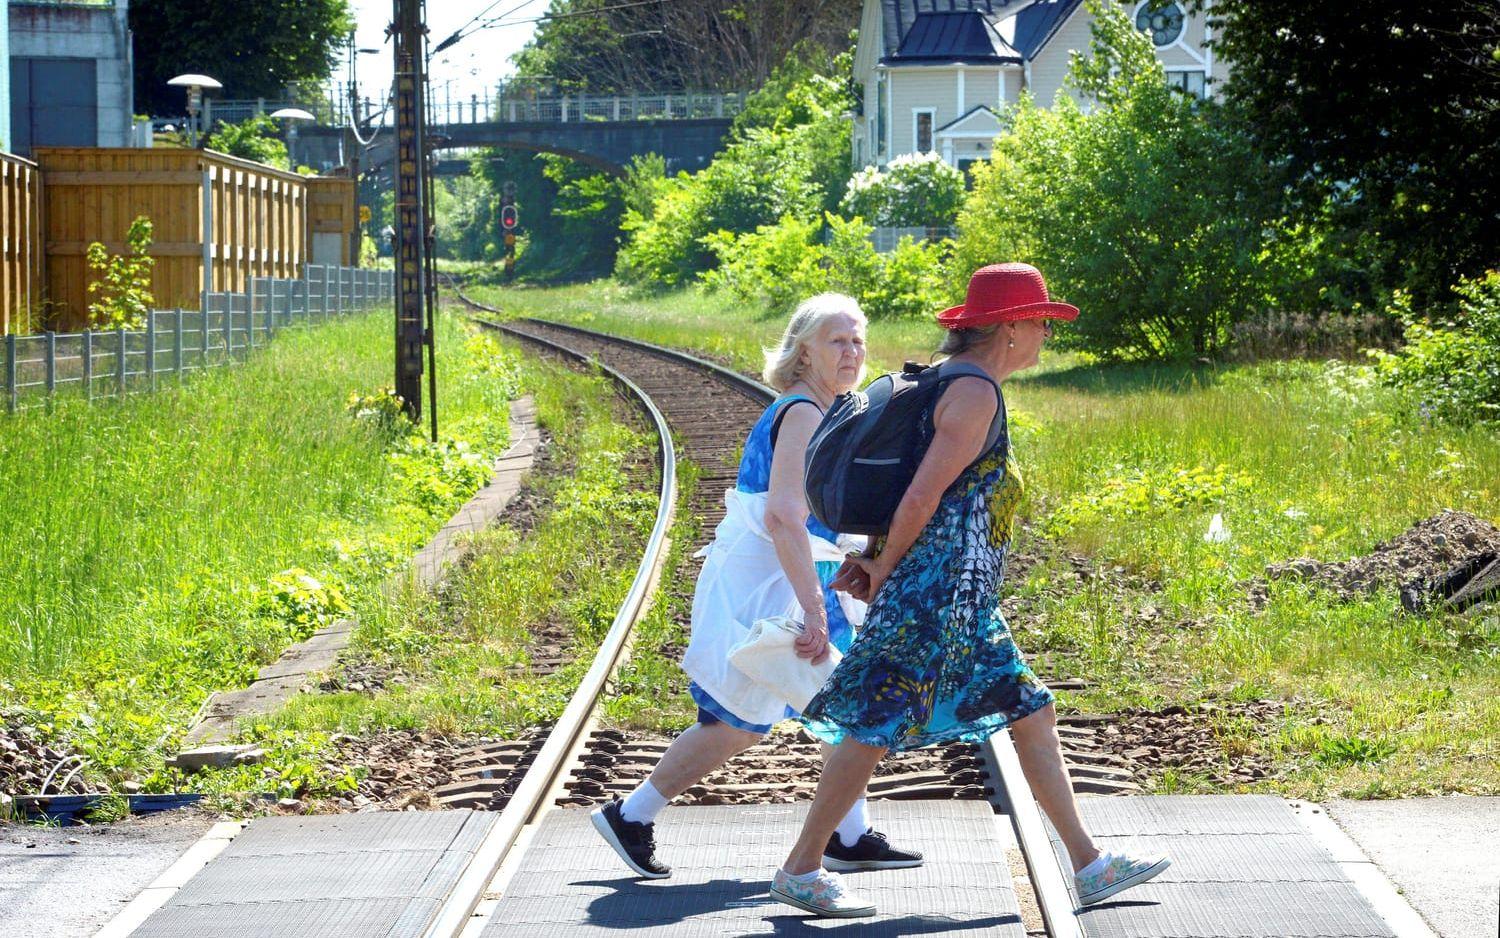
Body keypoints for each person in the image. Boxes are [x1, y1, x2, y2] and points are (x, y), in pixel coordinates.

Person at [769, 264, 1171, 918]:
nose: (1045, 333)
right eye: (1039, 321)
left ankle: (1088, 864)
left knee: (1030, 709)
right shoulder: (974, 393)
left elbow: (921, 491)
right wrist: (881, 568)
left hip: (960, 594)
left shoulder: (956, 381)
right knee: (873, 721)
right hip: (938, 591)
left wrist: (877, 557)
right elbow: (924, 493)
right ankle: (801, 867)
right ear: (1009, 329)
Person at [590, 293, 924, 880]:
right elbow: (783, 517)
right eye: (837, 341)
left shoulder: (830, 406)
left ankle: (846, 834)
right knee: (735, 721)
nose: (852, 352)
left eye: (858, 340)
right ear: (802, 352)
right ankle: (631, 815)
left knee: (839, 705)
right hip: (768, 583)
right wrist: (815, 610)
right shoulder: (801, 411)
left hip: (789, 574)